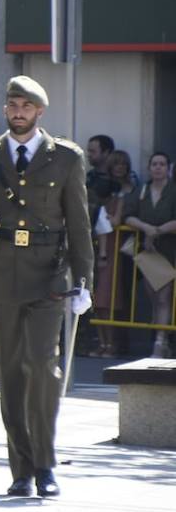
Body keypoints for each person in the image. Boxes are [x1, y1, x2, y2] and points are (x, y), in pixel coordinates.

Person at [0, 76, 92, 498]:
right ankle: (21, 468)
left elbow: (79, 222)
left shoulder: (66, 158)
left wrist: (83, 280)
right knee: (11, 375)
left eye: (26, 107)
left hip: (48, 273)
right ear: (6, 109)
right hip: (0, 272)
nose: (18, 112)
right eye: (13, 105)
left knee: (42, 368)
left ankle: (46, 464)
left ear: (40, 112)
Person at [123, 151, 176, 357]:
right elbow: (127, 216)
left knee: (164, 297)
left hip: (169, 250)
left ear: (168, 168)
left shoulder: (173, 190)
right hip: (148, 251)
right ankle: (162, 338)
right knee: (153, 297)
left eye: (162, 164)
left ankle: (159, 343)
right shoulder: (142, 190)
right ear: (149, 168)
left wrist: (159, 230)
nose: (158, 167)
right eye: (154, 164)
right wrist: (146, 228)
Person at [92, 149, 134, 357]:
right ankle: (102, 343)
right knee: (99, 300)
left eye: (123, 163)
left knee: (112, 298)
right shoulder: (103, 189)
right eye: (116, 163)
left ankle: (113, 344)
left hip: (119, 248)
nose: (119, 167)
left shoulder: (129, 191)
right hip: (102, 246)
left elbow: (115, 220)